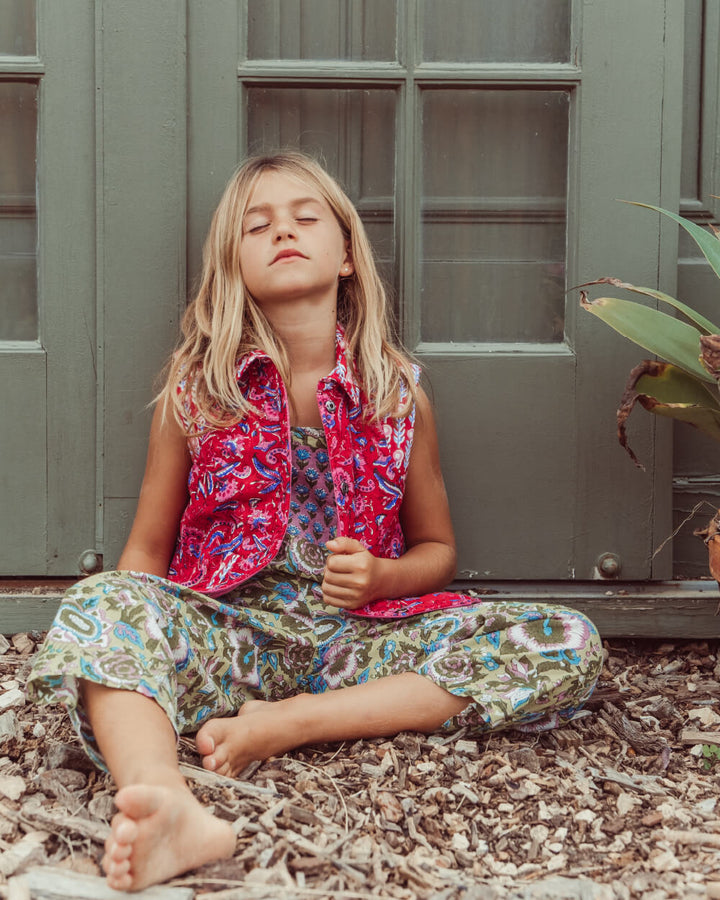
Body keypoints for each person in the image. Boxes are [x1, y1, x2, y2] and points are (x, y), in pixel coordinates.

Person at [28, 151, 603, 892]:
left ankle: (293, 722)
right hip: (230, 635)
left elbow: (439, 551)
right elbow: (147, 547)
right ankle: (163, 797)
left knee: (569, 639)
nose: (283, 233)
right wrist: (136, 630)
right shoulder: (196, 390)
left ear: (347, 257)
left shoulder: (397, 395)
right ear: (232, 266)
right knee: (100, 600)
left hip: (359, 641)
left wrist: (382, 577)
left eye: (306, 218)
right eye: (257, 226)